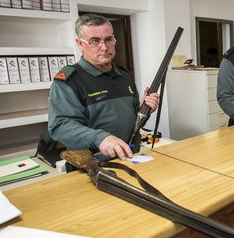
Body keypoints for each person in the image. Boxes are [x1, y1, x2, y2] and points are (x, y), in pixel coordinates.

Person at [48, 13, 159, 160]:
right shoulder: (69, 82)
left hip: (131, 158)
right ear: (80, 44)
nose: (104, 47)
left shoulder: (124, 76)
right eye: (94, 41)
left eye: (108, 39)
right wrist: (101, 138)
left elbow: (128, 118)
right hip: (92, 166)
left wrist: (144, 109)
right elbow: (60, 126)